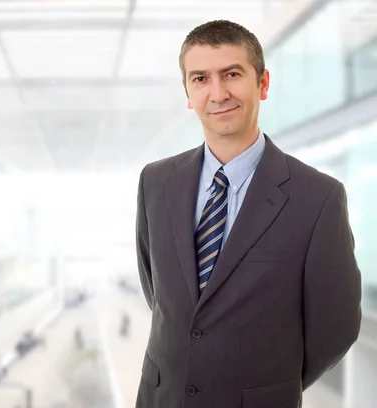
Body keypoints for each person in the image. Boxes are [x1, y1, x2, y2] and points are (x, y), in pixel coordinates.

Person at [135, 20, 361, 408]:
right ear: (188, 93)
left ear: (264, 83)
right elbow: (158, 294)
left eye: (232, 74)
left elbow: (335, 329)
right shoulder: (156, 182)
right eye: (201, 78)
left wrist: (267, 385)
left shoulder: (318, 198)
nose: (218, 92)